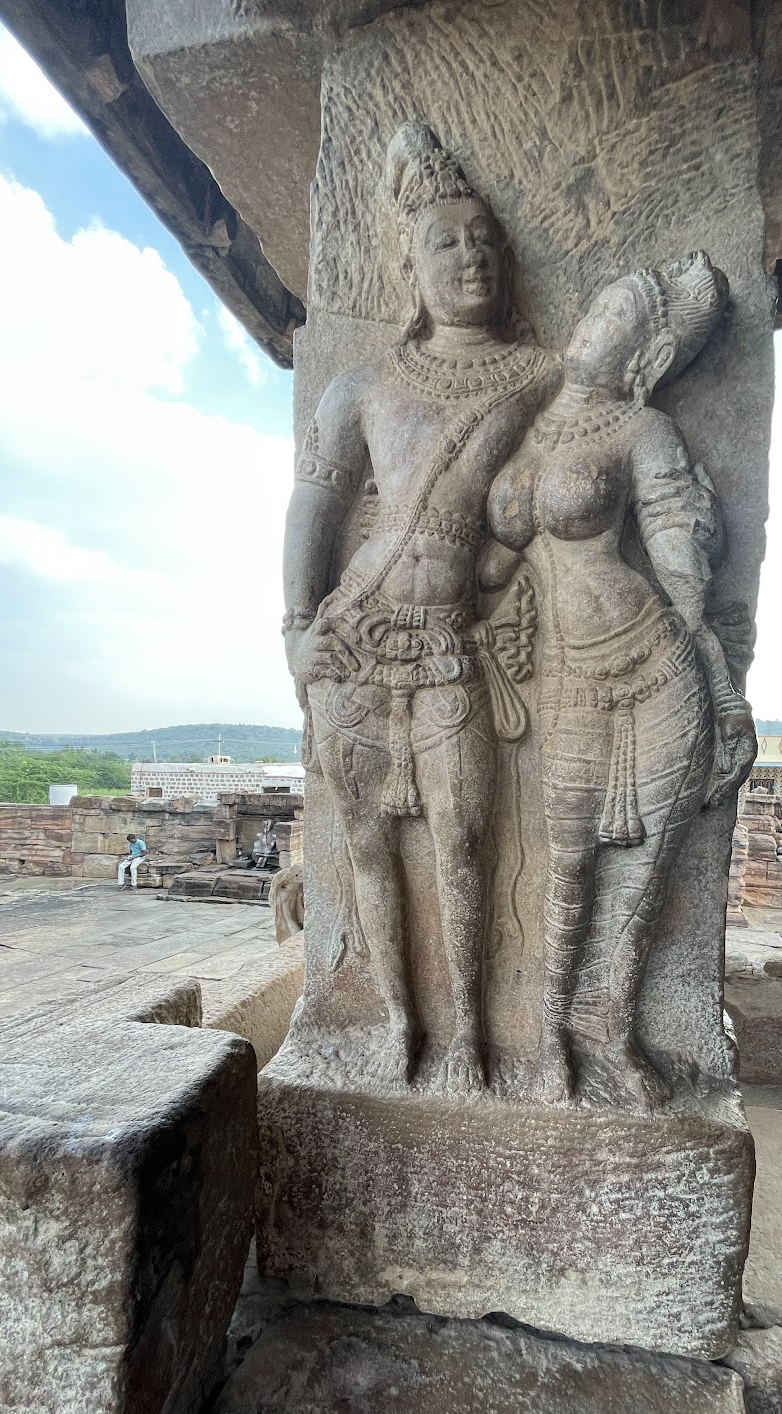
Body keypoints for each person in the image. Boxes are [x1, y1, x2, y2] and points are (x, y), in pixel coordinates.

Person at [281, 122, 555, 1091]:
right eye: (447, 242)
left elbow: (561, 486)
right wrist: (293, 632)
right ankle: (400, 1023)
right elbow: (312, 508)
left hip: (449, 646)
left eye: (486, 240)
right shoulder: (362, 388)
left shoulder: (539, 377)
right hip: (354, 641)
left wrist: (508, 551)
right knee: (365, 840)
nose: (472, 255)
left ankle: (475, 1034)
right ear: (412, 266)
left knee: (465, 841)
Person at [485, 255, 757, 1106]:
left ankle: (606, 1027)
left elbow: (683, 575)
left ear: (641, 355)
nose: (589, 325)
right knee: (566, 864)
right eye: (595, 307)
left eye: (614, 318)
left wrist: (715, 680)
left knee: (637, 874)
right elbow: (490, 561)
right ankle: (546, 1036)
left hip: (655, 665)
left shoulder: (643, 431)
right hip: (567, 675)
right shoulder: (526, 424)